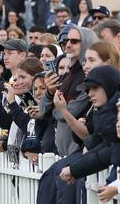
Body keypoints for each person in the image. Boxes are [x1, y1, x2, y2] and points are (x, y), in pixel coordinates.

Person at [58, 65, 120, 182]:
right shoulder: (101, 114)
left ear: (109, 85)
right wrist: (74, 168)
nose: (90, 94)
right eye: (88, 89)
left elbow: (109, 150)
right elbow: (100, 146)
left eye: (95, 88)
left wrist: (74, 169)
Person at [42, 26, 98, 156]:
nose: (67, 45)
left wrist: (58, 108)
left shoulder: (88, 76)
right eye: (66, 41)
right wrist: (50, 93)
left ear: (86, 42)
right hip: (61, 152)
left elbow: (63, 113)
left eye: (74, 41)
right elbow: (43, 110)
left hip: (79, 151)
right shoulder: (65, 75)